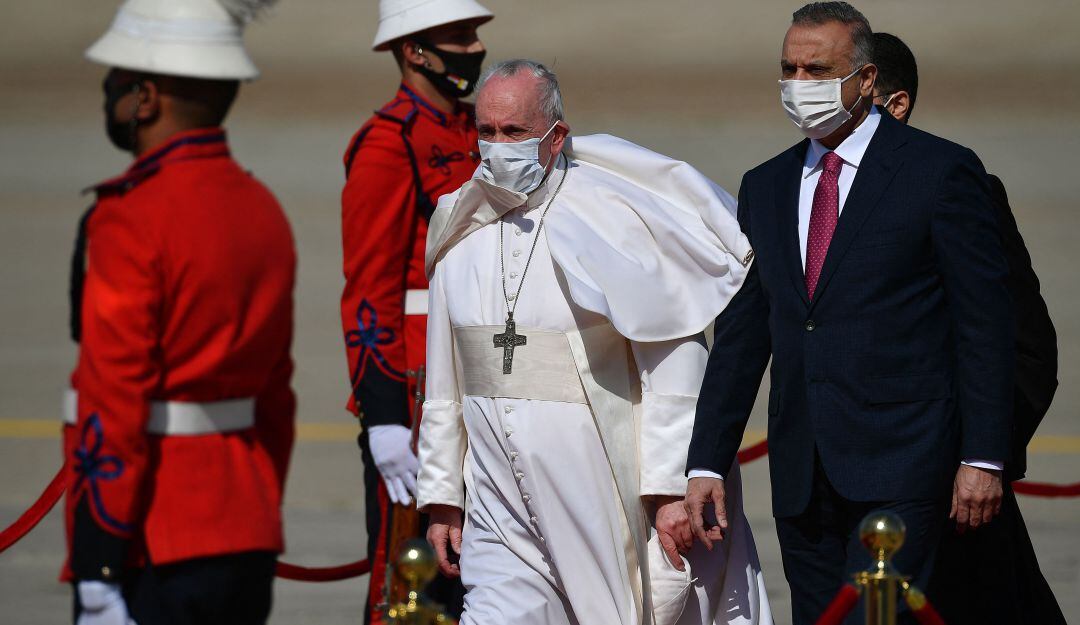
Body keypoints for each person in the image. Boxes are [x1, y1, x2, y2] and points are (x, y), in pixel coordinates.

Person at [684, 3, 1015, 624]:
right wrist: (707, 460)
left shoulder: (938, 172)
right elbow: (744, 334)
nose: (800, 85)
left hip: (904, 463)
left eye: (818, 69)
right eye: (789, 68)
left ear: (866, 81)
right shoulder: (768, 184)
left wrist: (985, 456)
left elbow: (984, 325)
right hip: (803, 471)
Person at [418, 59, 772, 625]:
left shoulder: (609, 216)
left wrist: (665, 486)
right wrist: (442, 495)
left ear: (555, 138)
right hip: (495, 500)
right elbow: (444, 379)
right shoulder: (459, 225)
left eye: (514, 133)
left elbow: (673, 358)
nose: (497, 147)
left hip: (598, 488)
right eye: (486, 132)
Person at [62, 1, 295, 623]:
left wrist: (98, 563)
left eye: (116, 79)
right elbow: (277, 397)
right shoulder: (262, 208)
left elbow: (113, 398)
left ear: (145, 97)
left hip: (151, 537)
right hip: (246, 529)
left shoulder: (129, 218)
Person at [871, 31, 1065, 625]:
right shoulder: (792, 194)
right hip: (838, 494)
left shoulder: (959, 188)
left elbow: (1027, 346)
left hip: (949, 491)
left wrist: (981, 458)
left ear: (895, 103)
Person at [339, 0, 492, 620]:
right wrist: (382, 416)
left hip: (478, 378)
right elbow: (368, 291)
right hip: (415, 395)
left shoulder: (476, 129)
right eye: (457, 36)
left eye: (475, 34)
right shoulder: (387, 144)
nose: (473, 49)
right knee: (411, 587)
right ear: (414, 50)